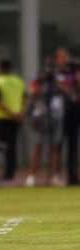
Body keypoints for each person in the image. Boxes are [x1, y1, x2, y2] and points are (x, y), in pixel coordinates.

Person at [25, 53, 66, 187]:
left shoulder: (59, 77)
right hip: (41, 114)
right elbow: (32, 94)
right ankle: (32, 176)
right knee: (38, 145)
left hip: (56, 115)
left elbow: (66, 91)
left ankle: (54, 176)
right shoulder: (38, 78)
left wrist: (55, 81)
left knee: (55, 146)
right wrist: (41, 82)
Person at [0, 59, 27, 180]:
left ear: (0, 69)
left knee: (3, 146)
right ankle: (11, 171)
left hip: (2, 118)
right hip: (16, 118)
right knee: (12, 145)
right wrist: (21, 113)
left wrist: (11, 114)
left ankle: (6, 173)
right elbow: (25, 98)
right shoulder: (18, 81)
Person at [55, 48, 80, 186]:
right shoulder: (55, 73)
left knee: (73, 145)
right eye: (62, 56)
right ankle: (56, 175)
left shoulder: (73, 72)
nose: (65, 59)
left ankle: (72, 175)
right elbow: (59, 88)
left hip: (73, 110)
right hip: (58, 112)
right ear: (57, 59)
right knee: (57, 144)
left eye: (67, 56)